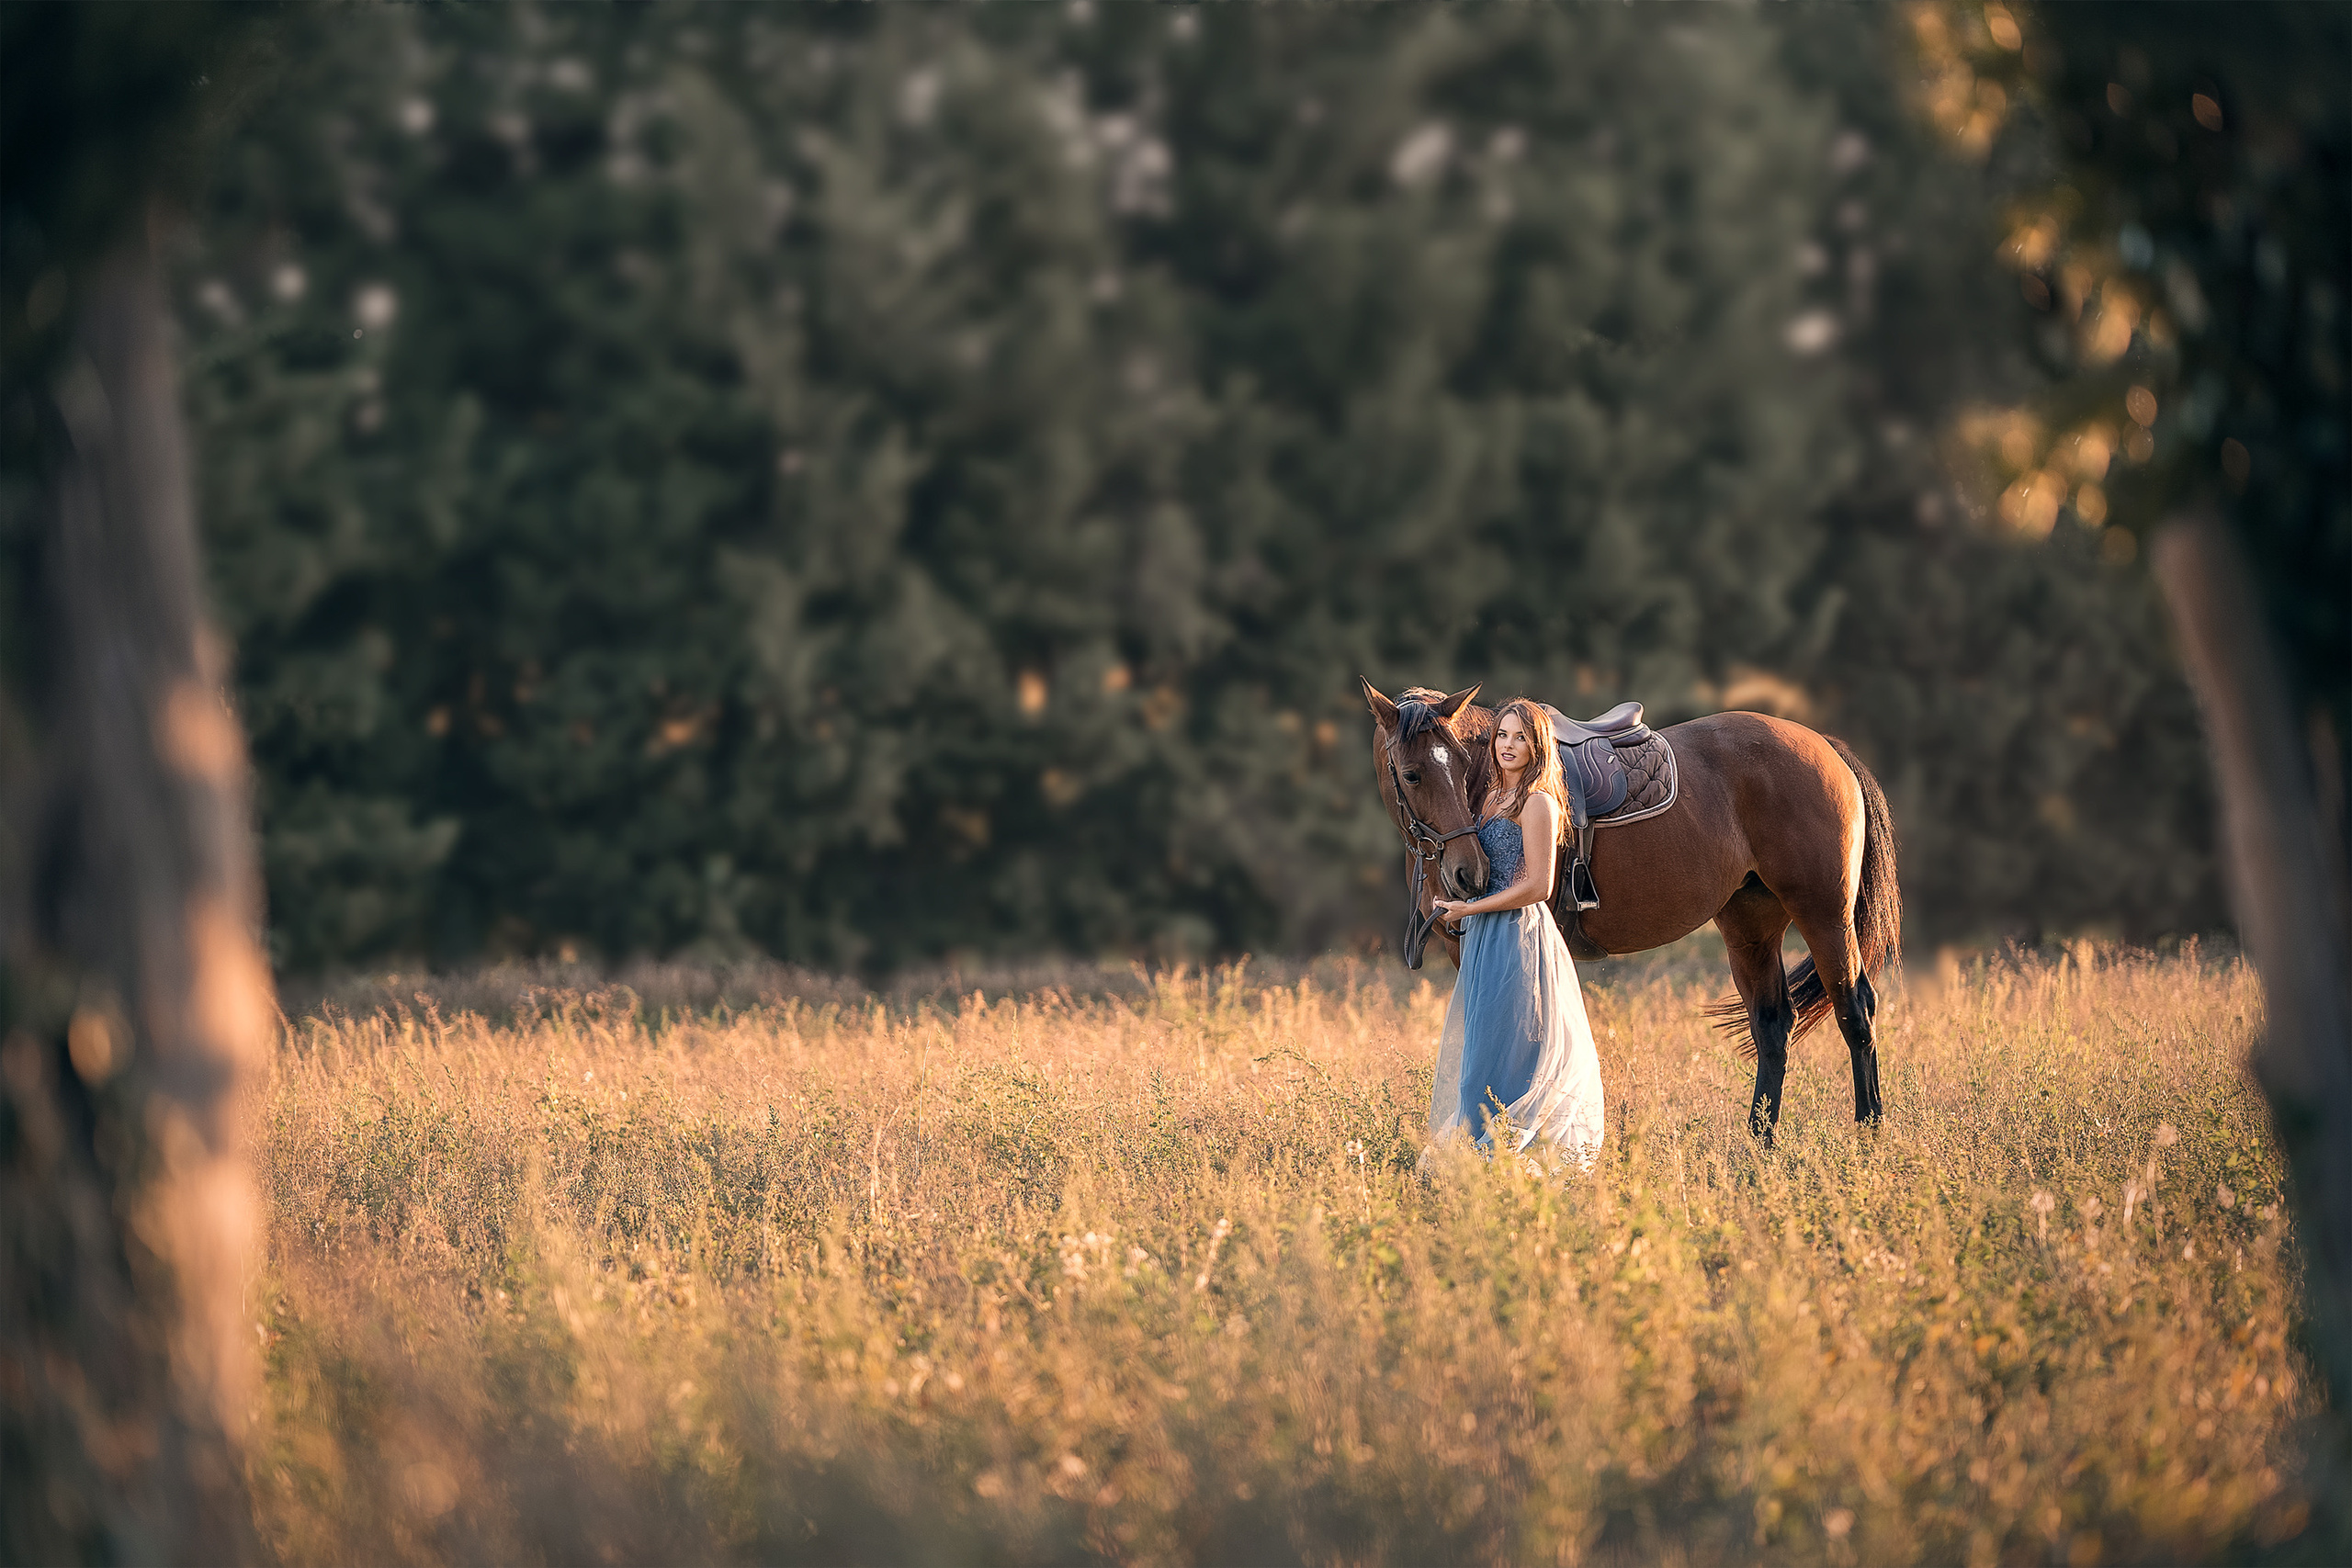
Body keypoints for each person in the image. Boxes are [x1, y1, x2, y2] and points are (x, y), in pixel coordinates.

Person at [1428, 697, 1606, 1164]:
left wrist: (1470, 911)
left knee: (1512, 1047)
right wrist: (1456, 903)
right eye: (1502, 735)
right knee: (1481, 1047)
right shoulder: (1490, 798)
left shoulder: (1538, 803)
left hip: (1517, 934)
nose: (1508, 745)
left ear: (1537, 745)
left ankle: (1506, 1152)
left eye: (1520, 737)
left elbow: (1538, 886)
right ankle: (1475, 1146)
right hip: (1486, 933)